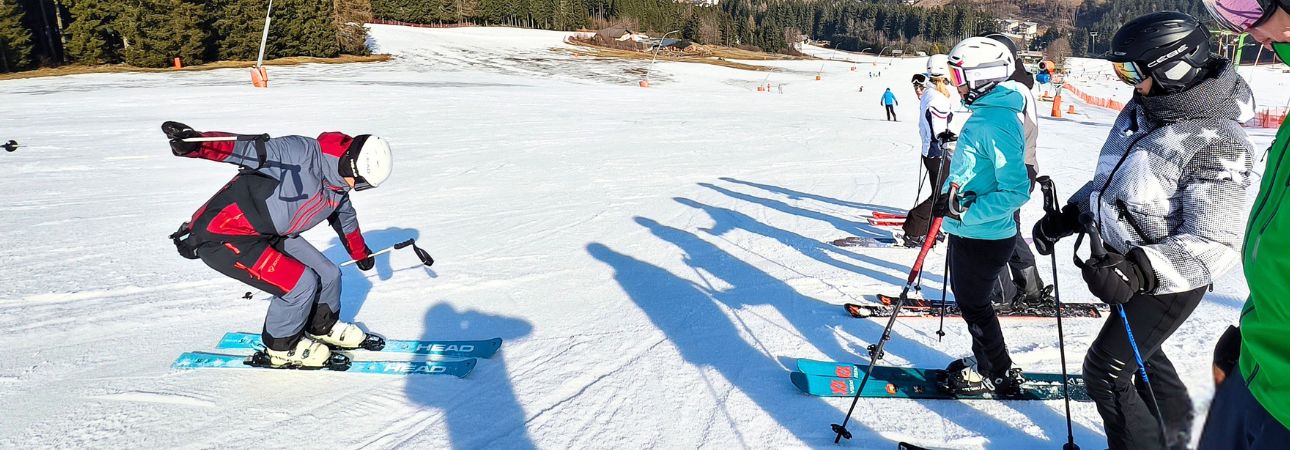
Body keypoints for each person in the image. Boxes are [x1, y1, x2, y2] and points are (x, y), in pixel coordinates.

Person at [1030, 12, 1255, 450]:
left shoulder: (1219, 141)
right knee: (1146, 357)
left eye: (1133, 70)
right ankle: (1175, 432)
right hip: (1120, 266)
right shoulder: (1147, 108)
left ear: (1173, 68)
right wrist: (1072, 216)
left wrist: (1138, 270)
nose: (1127, 82)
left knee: (1106, 372)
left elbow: (1216, 242)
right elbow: (1114, 181)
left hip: (1169, 280)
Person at [162, 121, 394, 369]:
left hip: (270, 233)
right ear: (351, 164)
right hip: (225, 234)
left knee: (329, 274)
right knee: (300, 284)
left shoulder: (338, 187)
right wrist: (195, 144)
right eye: (361, 182)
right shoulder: (301, 153)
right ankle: (281, 347)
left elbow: (345, 218)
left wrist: (360, 254)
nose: (358, 188)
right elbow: (248, 148)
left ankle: (321, 326)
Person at [1198, 0, 1290, 448]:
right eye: (1234, 14)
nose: (1251, 33)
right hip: (1257, 367)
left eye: (1250, 10)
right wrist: (1254, 328)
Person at [933, 37, 1032, 397]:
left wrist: (965, 210)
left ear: (982, 77)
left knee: (975, 306)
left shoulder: (996, 122)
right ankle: (989, 363)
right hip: (969, 230)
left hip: (985, 235)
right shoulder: (985, 117)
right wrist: (951, 196)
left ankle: (997, 370)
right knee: (970, 302)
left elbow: (1016, 190)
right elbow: (973, 169)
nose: (955, 84)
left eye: (959, 76)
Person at [984, 32, 1052, 308]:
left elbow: (1008, 140)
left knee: (993, 231)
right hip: (1019, 170)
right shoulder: (1014, 86)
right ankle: (1030, 287)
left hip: (1008, 172)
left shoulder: (1009, 91)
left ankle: (1001, 294)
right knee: (1009, 230)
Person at [900, 55, 955, 248]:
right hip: (937, 154)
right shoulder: (937, 98)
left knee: (940, 192)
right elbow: (939, 131)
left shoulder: (930, 93)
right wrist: (952, 138)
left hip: (931, 153)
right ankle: (913, 229)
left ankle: (931, 229)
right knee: (942, 195)